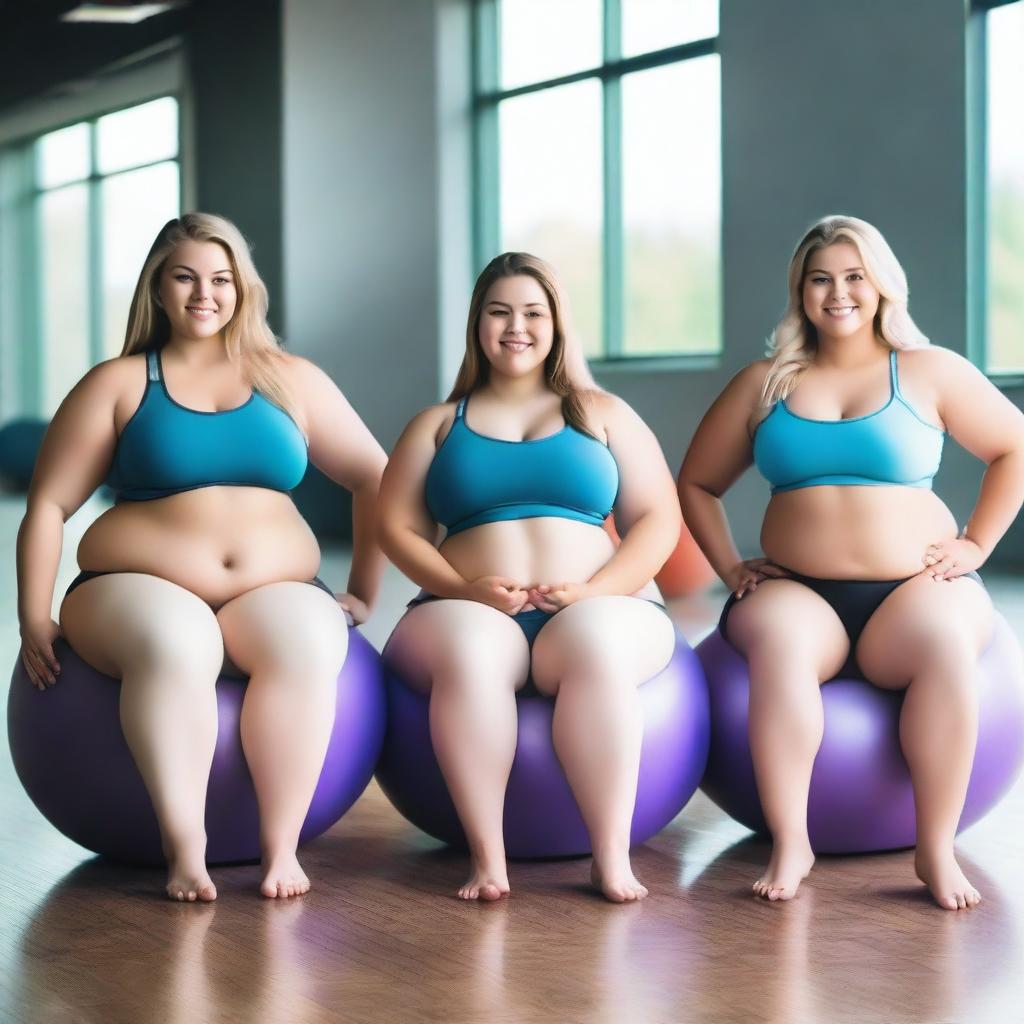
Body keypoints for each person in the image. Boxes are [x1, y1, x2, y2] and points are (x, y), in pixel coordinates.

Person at [17, 213, 387, 902]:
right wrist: (31, 616)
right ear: (157, 288)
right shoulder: (120, 382)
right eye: (185, 277)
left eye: (220, 279)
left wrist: (363, 590)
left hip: (272, 589)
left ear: (244, 289)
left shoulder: (290, 380)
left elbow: (376, 477)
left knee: (309, 639)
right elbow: (48, 506)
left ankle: (281, 850)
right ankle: (184, 846)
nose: (203, 294)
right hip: (134, 588)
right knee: (176, 642)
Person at [679, 215, 1024, 910]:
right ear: (801, 292)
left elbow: (1014, 448)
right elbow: (695, 483)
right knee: (779, 648)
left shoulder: (929, 370)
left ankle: (934, 848)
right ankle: (790, 839)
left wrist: (976, 544)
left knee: (947, 648)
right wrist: (729, 569)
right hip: (799, 592)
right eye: (820, 279)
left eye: (854, 276)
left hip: (913, 589)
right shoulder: (766, 383)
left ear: (881, 285)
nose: (838, 293)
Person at [377, 252, 681, 903]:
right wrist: (464, 590)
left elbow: (658, 518)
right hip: (467, 608)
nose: (517, 327)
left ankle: (610, 858)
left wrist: (595, 592)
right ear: (477, 325)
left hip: (600, 605)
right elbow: (396, 529)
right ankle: (489, 861)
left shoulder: (602, 412)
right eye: (500, 312)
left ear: (556, 325)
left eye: (533, 313)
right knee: (471, 653)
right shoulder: (436, 424)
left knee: (597, 646)